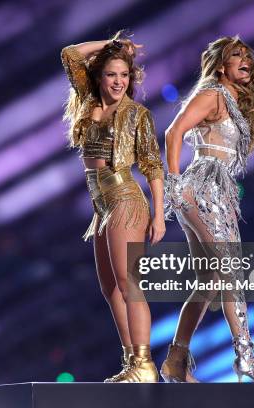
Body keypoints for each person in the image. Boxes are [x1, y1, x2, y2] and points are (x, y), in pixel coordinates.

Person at [162, 36, 254, 383]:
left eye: (247, 56)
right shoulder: (212, 94)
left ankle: (176, 359)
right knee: (230, 271)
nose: (245, 60)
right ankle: (245, 357)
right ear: (220, 66)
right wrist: (173, 186)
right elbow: (173, 133)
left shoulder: (230, 100)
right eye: (236, 56)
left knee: (212, 279)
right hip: (203, 187)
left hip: (218, 191)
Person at [61, 31, 165, 382]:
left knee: (128, 282)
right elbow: (70, 54)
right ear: (99, 77)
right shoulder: (89, 101)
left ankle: (146, 364)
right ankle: (131, 364)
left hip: (124, 198)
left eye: (124, 75)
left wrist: (160, 214)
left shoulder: (137, 114)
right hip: (101, 205)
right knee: (109, 288)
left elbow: (152, 164)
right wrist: (109, 45)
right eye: (112, 74)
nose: (119, 81)